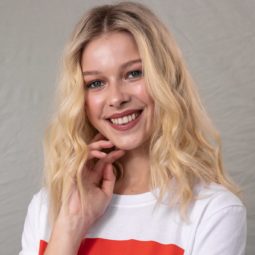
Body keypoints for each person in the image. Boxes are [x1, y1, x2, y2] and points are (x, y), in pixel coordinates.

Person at [19, 2, 246, 255]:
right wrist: (70, 226)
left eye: (133, 73)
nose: (116, 98)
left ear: (165, 79)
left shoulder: (213, 212)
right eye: (95, 83)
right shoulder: (48, 208)